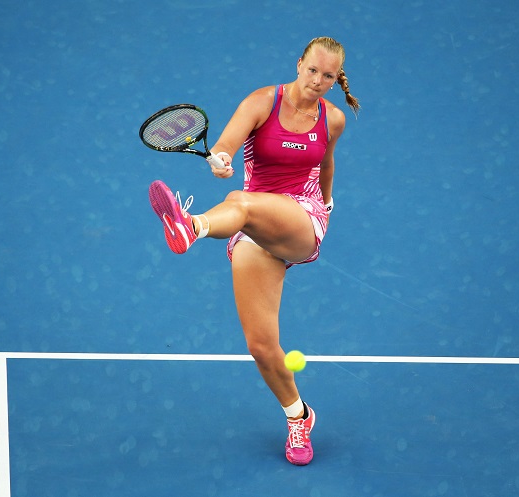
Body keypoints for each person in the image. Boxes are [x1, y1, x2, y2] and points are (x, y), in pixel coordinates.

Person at [148, 36, 360, 466]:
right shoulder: (262, 101)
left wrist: (329, 205)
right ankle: (299, 416)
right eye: (312, 70)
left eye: (328, 76)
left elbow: (326, 163)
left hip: (300, 218)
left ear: (336, 79)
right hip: (252, 223)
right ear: (299, 63)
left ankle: (191, 227)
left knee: (238, 203)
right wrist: (221, 160)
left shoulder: (333, 119)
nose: (318, 80)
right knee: (262, 346)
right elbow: (225, 144)